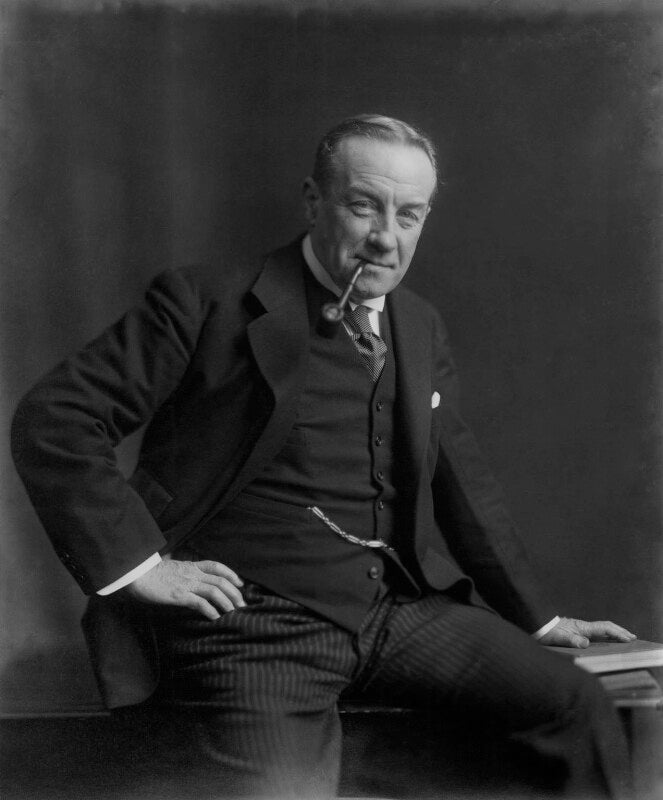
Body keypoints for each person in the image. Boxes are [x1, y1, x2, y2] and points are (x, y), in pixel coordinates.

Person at [12, 114, 636, 799]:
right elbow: (57, 419)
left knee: (576, 706)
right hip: (251, 628)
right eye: (363, 206)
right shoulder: (205, 301)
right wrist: (141, 567)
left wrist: (540, 619)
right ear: (314, 201)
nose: (385, 237)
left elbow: (459, 480)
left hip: (397, 613)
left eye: (408, 215)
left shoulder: (418, 324)